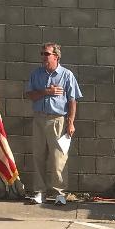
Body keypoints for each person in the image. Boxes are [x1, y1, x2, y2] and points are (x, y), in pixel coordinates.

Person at [24, 42, 83, 205]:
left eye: (46, 54)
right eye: (42, 54)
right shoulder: (36, 74)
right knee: (38, 156)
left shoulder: (66, 75)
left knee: (58, 158)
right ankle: (39, 192)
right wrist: (46, 92)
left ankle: (59, 193)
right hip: (39, 118)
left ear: (56, 56)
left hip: (58, 119)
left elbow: (72, 100)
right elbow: (29, 95)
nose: (43, 57)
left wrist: (70, 122)